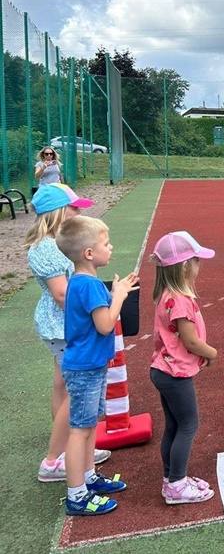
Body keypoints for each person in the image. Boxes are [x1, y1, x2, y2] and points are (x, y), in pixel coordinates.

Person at [25, 184, 111, 482]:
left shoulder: (51, 244)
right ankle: (55, 458)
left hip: (60, 325)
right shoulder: (48, 247)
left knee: (62, 384)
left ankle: (69, 449)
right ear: (58, 212)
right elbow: (62, 294)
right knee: (75, 390)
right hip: (62, 326)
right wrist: (97, 309)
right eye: (74, 208)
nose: (79, 211)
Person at [55, 215, 139, 515]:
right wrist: (118, 296)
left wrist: (116, 292)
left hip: (89, 365)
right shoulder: (88, 285)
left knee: (89, 426)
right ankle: (76, 494)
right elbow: (105, 325)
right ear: (89, 253)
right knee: (80, 430)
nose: (110, 246)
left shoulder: (81, 281)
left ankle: (88, 477)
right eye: (106, 243)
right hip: (85, 368)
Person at [149, 231, 218, 505]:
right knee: (188, 426)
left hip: (163, 370)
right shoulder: (180, 300)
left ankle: (172, 479)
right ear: (186, 266)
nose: (200, 266)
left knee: (174, 426)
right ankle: (176, 484)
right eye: (197, 261)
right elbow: (190, 340)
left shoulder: (168, 294)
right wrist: (211, 353)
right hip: (175, 374)